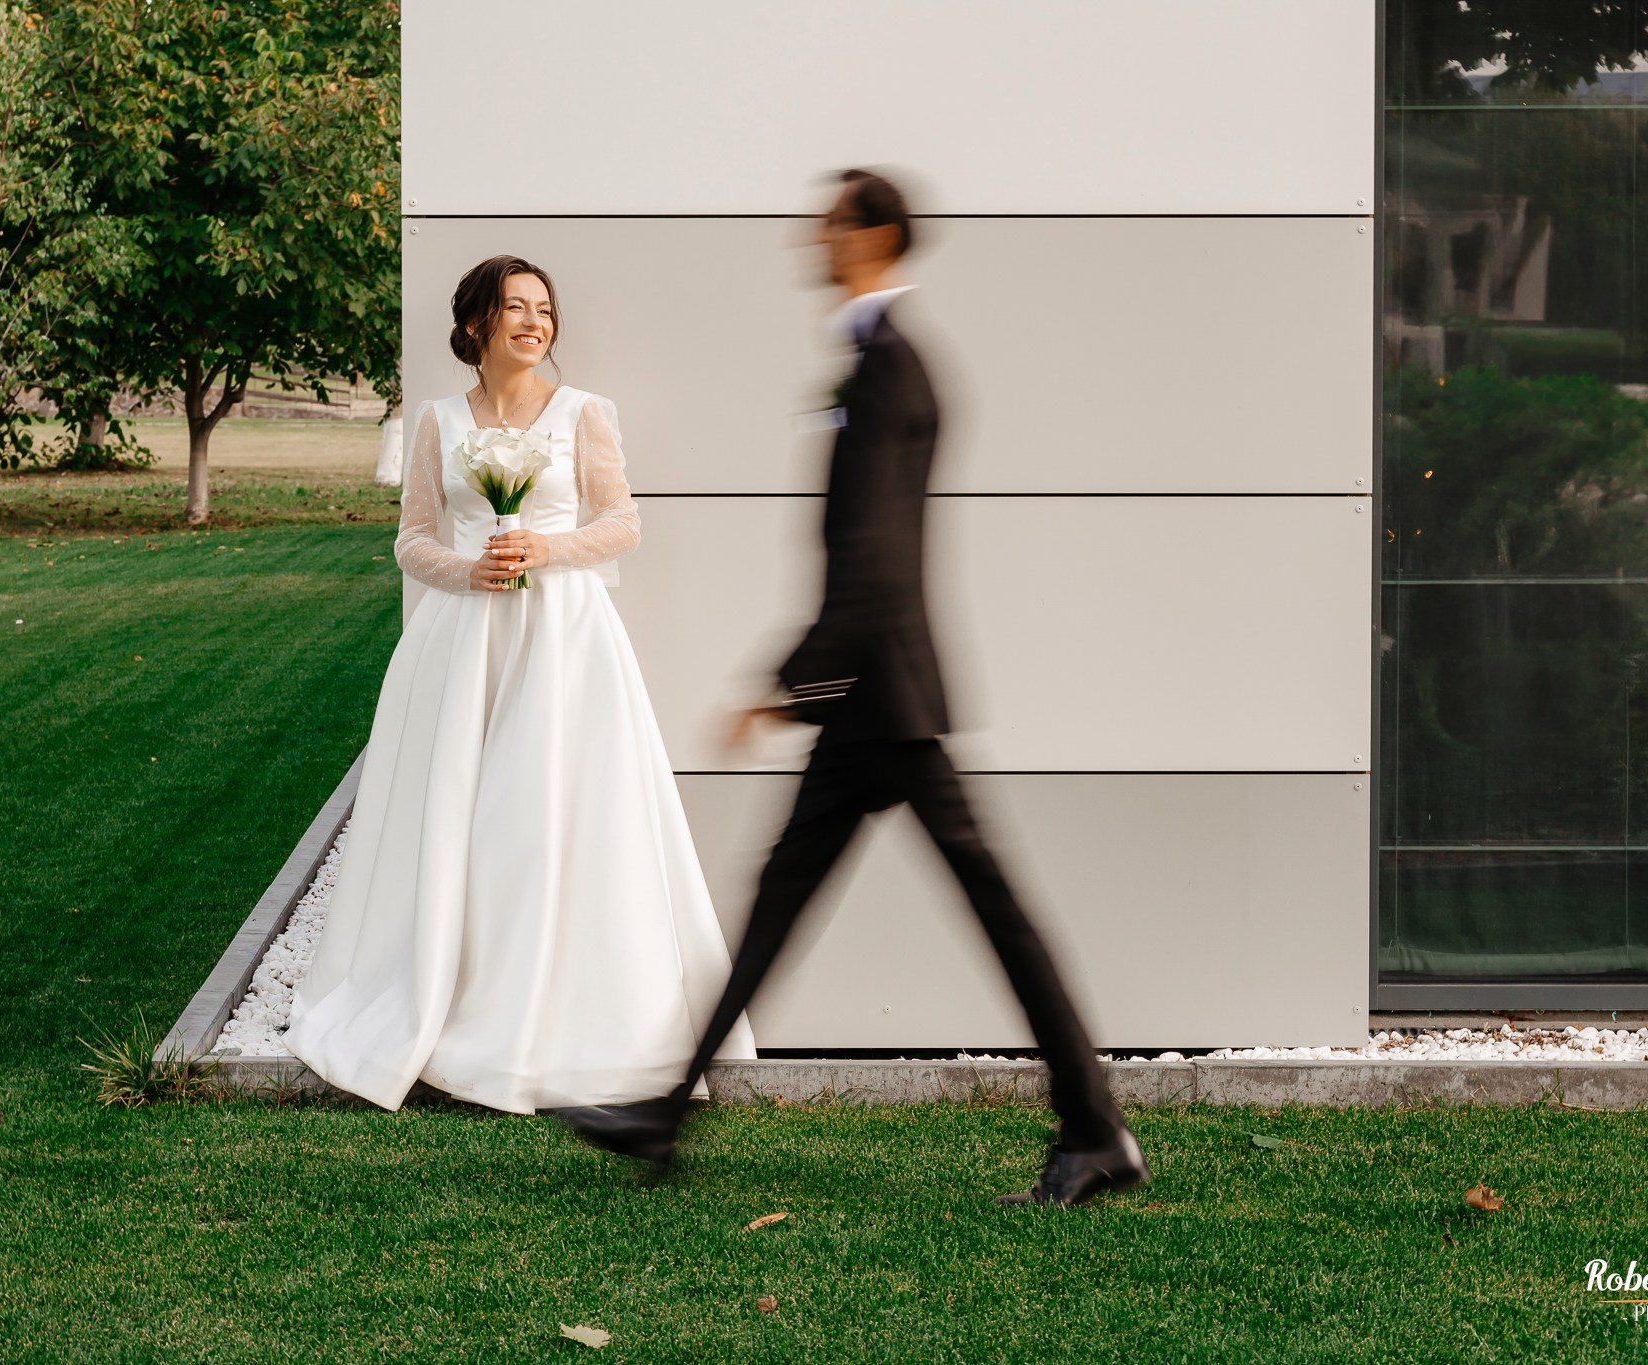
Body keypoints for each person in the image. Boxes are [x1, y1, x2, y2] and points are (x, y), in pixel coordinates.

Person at [560, 171, 1147, 1207]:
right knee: (786, 900)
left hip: (884, 705)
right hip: (871, 704)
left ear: (873, 235)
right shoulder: (872, 361)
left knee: (979, 912)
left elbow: (873, 557)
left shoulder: (889, 370)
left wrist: (787, 682)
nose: (813, 237)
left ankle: (1096, 1130)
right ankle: (665, 1111)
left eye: (831, 222)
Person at [282, 255, 754, 1112]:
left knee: (546, 817)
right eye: (516, 308)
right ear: (475, 326)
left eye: (545, 309)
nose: (535, 323)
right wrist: (471, 572)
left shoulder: (584, 415)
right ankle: (449, 1002)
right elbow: (413, 539)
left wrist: (544, 549)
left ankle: (560, 1018)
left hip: (566, 642)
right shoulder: (437, 421)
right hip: (462, 645)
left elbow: (622, 523)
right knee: (463, 818)